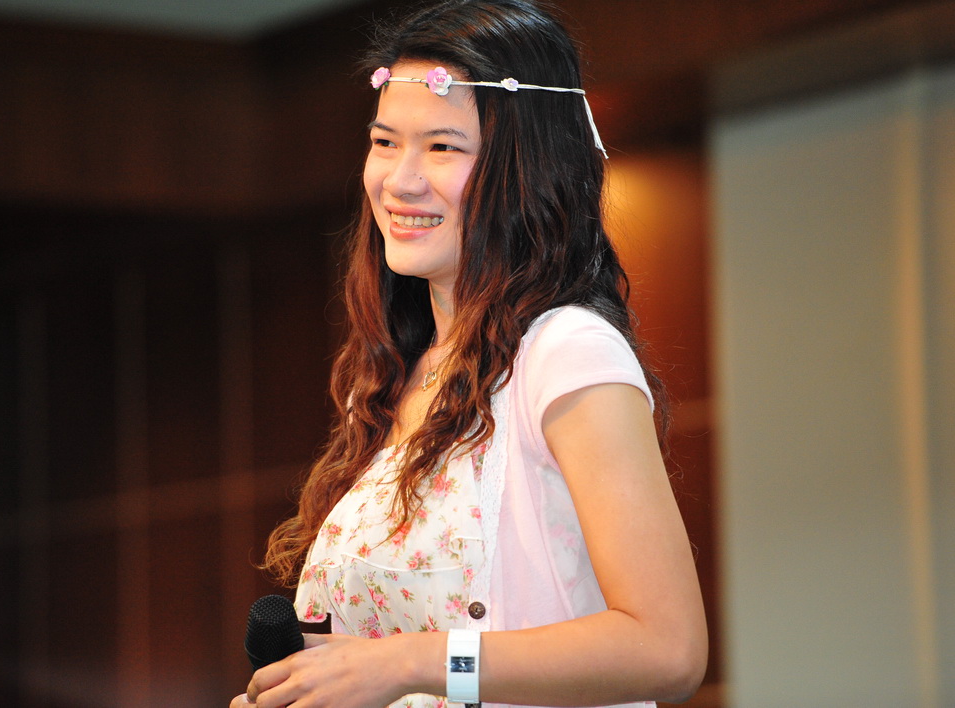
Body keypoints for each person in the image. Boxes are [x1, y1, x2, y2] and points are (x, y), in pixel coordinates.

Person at [230, 1, 707, 706]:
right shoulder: (396, 376)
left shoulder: (565, 352)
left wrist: (409, 662)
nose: (401, 180)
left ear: (527, 167)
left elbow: (668, 648)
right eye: (385, 141)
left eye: (443, 148)